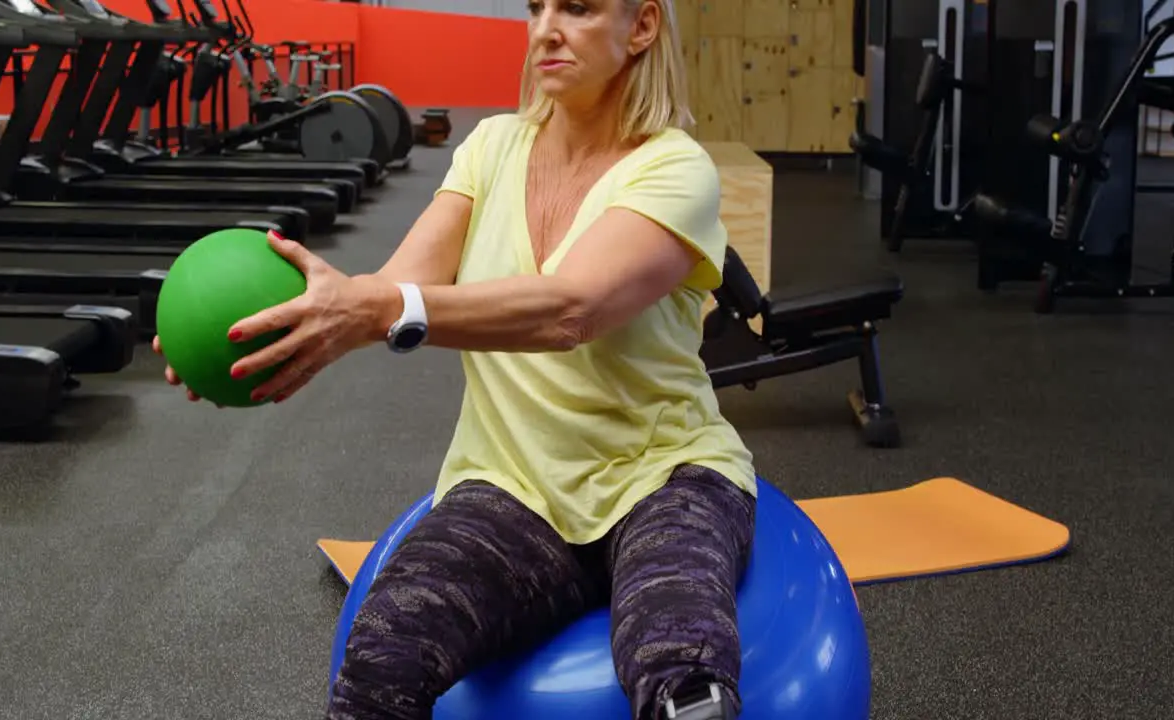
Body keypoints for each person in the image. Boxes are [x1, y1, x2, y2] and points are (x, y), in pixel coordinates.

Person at [153, 1, 758, 717]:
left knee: (681, 666)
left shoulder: (675, 169)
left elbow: (571, 309)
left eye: (579, 8)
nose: (545, 29)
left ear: (644, 26)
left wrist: (376, 312)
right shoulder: (491, 148)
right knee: (383, 656)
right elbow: (398, 288)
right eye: (536, 8)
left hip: (664, 476)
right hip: (513, 485)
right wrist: (298, 326)